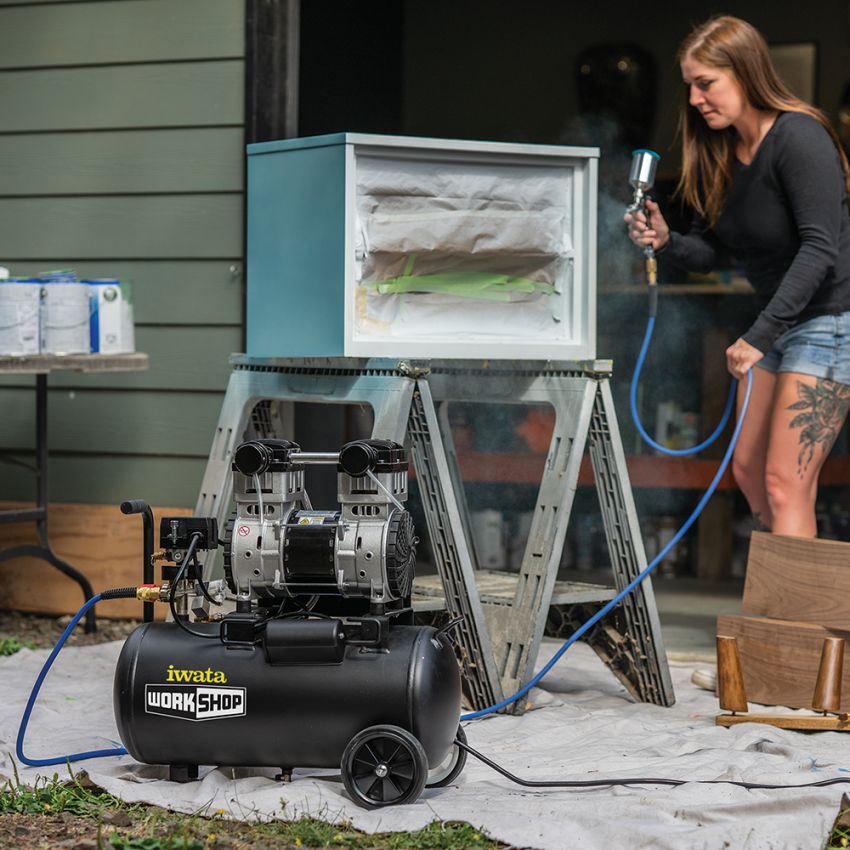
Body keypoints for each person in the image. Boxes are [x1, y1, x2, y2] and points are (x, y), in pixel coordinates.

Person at [625, 15, 850, 539]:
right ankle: (786, 586)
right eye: (690, 86)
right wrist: (666, 240)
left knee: (785, 484)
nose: (696, 98)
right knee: (749, 472)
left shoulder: (799, 137)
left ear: (745, 73)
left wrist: (759, 336)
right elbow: (713, 253)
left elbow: (821, 249)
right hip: (778, 322)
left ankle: (790, 595)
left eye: (707, 83)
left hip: (829, 323)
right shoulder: (722, 152)